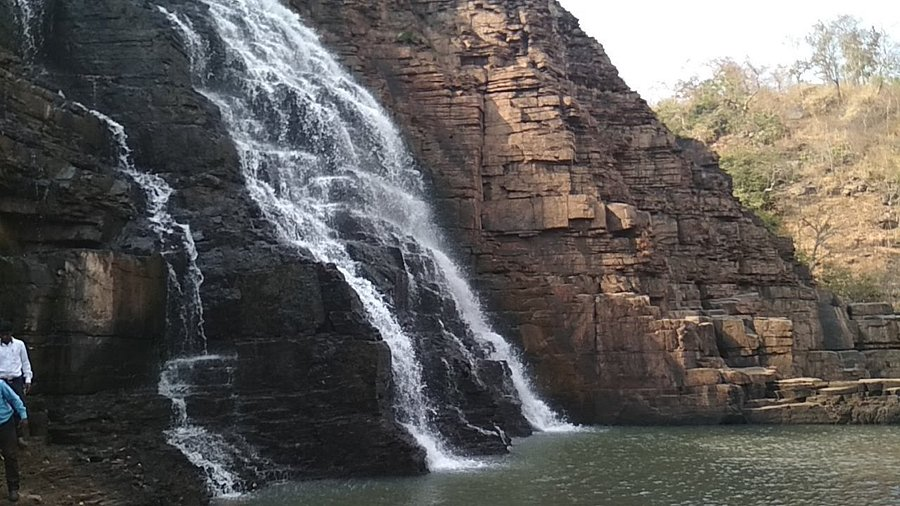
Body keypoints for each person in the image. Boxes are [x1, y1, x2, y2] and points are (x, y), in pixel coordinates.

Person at [0, 321, 32, 447]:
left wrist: (27, 379)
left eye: (6, 334)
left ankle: (19, 437)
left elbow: (25, 362)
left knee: (19, 405)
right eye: (2, 334)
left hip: (16, 380)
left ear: (11, 333)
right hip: (1, 381)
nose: (4, 337)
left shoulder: (19, 345)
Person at [0, 380, 26, 502]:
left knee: (10, 454)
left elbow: (14, 399)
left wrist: (23, 415)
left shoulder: (1, 385)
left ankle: (13, 488)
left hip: (5, 422)